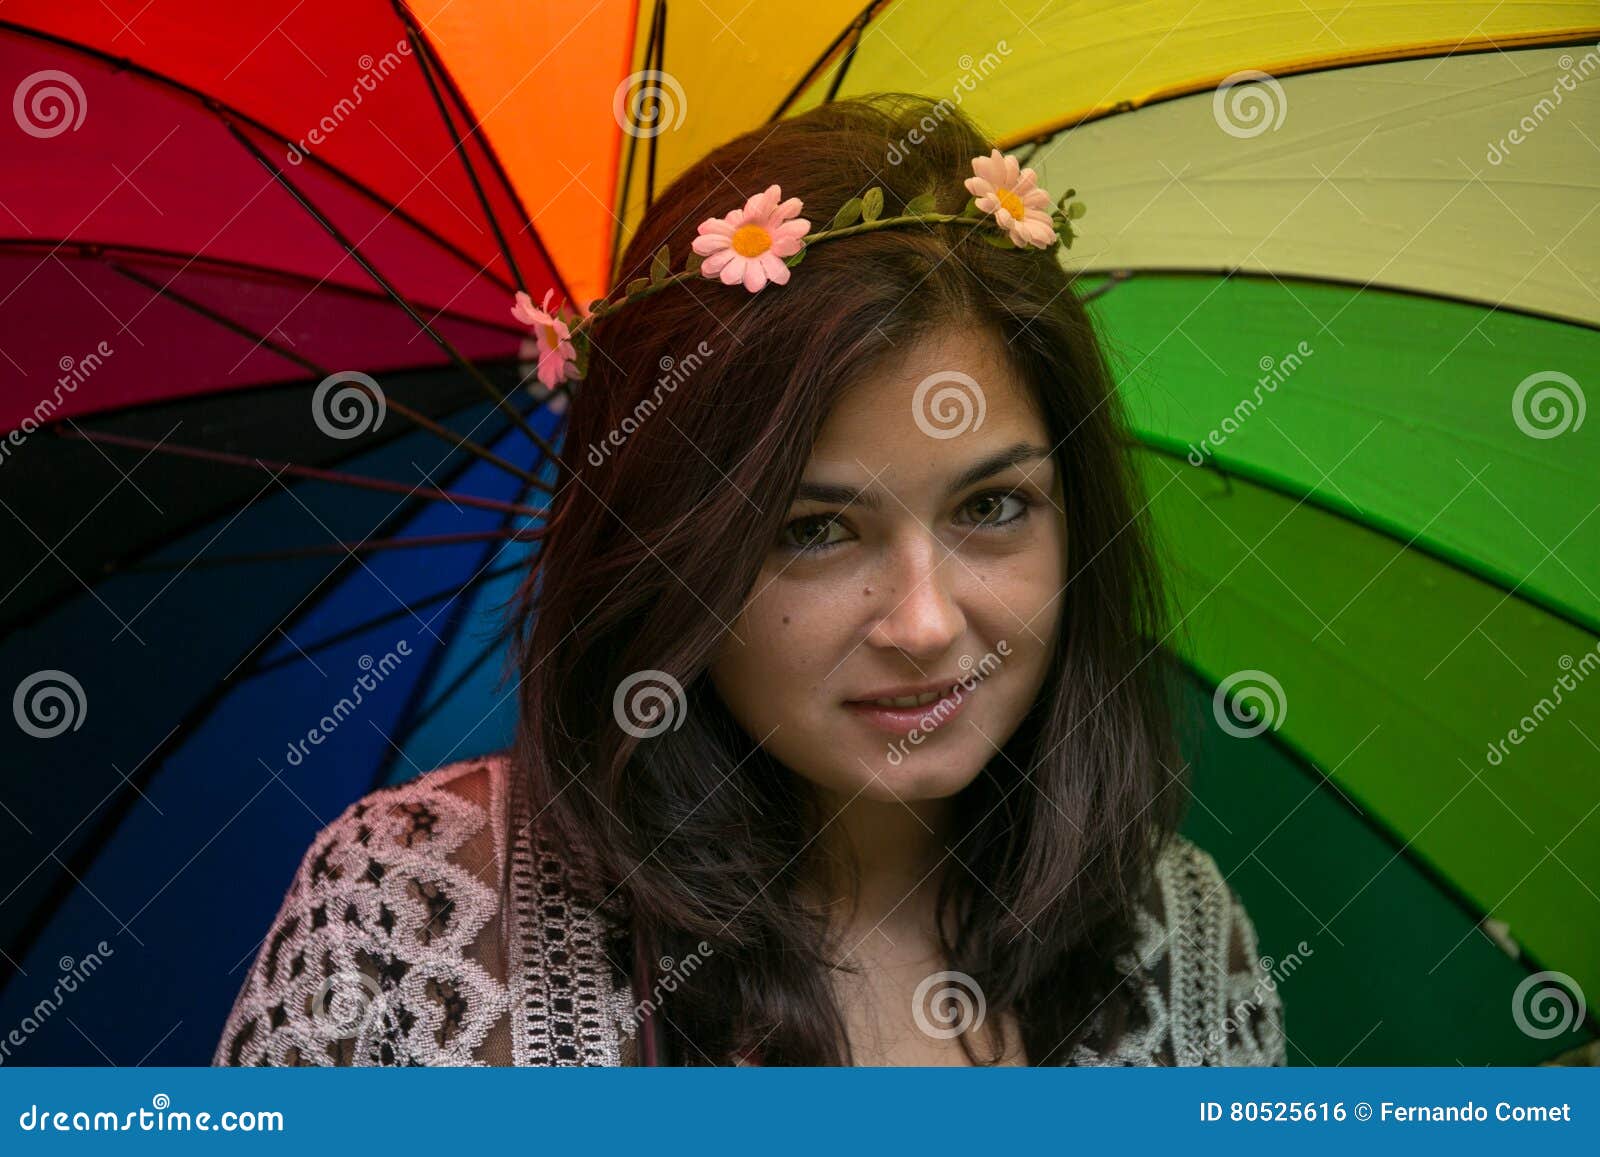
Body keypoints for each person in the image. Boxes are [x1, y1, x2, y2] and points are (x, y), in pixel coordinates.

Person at [214, 92, 1287, 1068]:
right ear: (671, 552)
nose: (922, 620)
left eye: (990, 507)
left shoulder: (1175, 937)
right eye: (815, 529)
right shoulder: (411, 916)